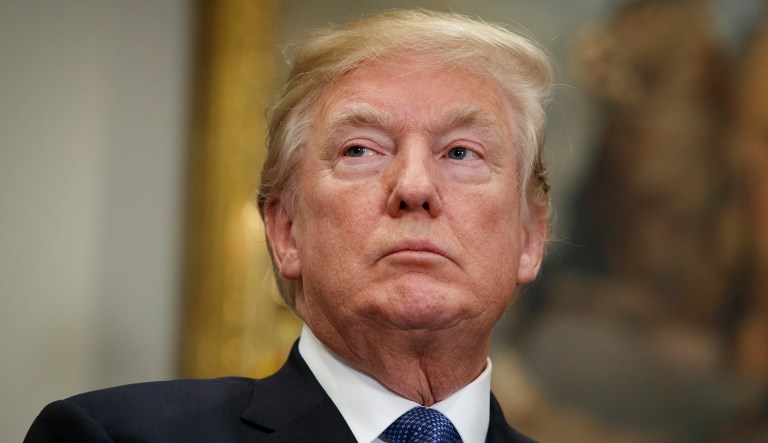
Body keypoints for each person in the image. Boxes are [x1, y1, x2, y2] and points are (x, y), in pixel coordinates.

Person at [25, 9, 552, 443]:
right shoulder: (112, 437)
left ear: (531, 236)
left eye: (461, 152)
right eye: (360, 149)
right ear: (285, 231)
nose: (414, 187)